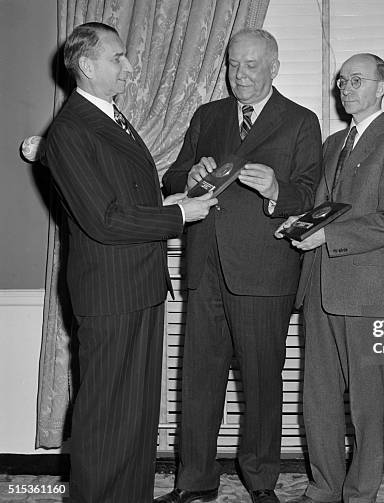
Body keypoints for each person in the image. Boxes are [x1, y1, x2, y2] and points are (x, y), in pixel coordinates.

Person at [42, 22, 217, 503]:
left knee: (137, 417)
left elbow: (128, 197)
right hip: (111, 293)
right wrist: (180, 214)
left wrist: (173, 199)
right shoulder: (71, 130)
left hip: (140, 286)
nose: (130, 66)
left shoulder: (112, 118)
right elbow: (103, 220)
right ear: (86, 65)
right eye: (118, 58)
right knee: (105, 420)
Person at [157, 28, 322, 503]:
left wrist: (275, 190)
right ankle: (195, 481)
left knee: (263, 384)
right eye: (233, 64)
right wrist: (187, 175)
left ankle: (261, 481)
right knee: (199, 381)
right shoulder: (207, 116)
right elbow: (174, 174)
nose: (240, 74)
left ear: (274, 67)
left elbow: (309, 194)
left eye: (251, 65)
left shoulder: (300, 121)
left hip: (265, 271)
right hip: (206, 267)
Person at [280, 53, 384, 503]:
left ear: (382, 87)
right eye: (342, 80)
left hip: (366, 293)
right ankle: (322, 487)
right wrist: (299, 225)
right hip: (319, 286)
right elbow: (324, 208)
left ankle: (360, 493)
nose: (346, 87)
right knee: (316, 401)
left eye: (357, 80)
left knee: (365, 404)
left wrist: (327, 237)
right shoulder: (334, 142)